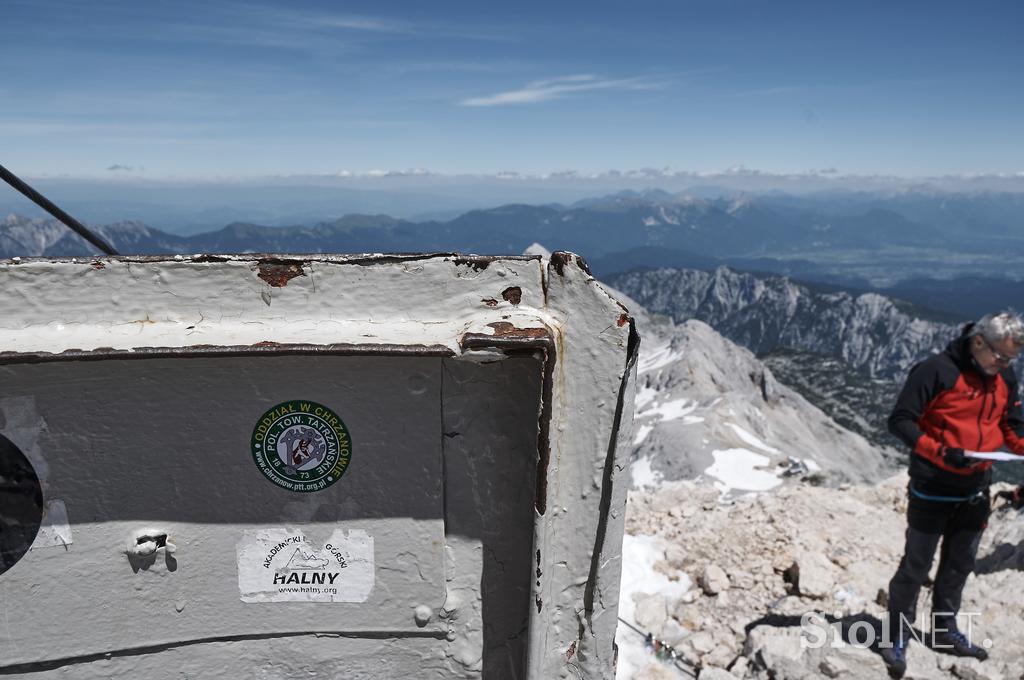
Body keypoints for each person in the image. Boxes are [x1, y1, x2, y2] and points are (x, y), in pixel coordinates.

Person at [882, 311, 1024, 678]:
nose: (1005, 365)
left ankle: (945, 632)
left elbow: (1009, 422)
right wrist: (941, 453)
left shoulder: (1004, 375)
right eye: (1000, 356)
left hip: (976, 488)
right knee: (916, 566)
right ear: (978, 342)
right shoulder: (936, 371)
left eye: (1012, 359)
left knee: (959, 566)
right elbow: (900, 420)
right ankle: (896, 633)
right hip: (932, 486)